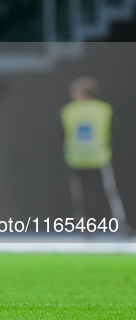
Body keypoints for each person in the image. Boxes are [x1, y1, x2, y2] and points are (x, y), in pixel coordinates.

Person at [61, 76, 134, 236]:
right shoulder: (104, 109)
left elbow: (62, 135)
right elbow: (115, 134)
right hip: (97, 157)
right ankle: (119, 225)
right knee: (108, 193)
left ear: (84, 94)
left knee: (84, 195)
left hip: (79, 159)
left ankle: (85, 227)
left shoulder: (69, 111)